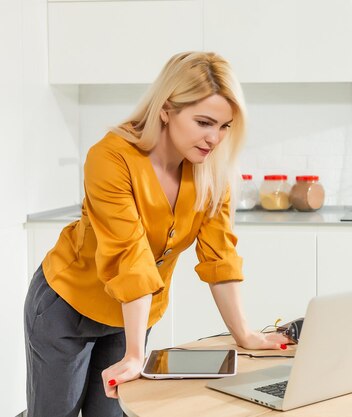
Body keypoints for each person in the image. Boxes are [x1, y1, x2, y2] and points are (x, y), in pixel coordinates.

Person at [23, 51, 289, 417]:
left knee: (114, 413)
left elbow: (219, 256)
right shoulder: (111, 157)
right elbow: (129, 257)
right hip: (68, 305)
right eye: (204, 122)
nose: (215, 138)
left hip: (133, 313)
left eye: (225, 126)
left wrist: (245, 334)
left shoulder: (213, 171)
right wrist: (135, 354)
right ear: (166, 109)